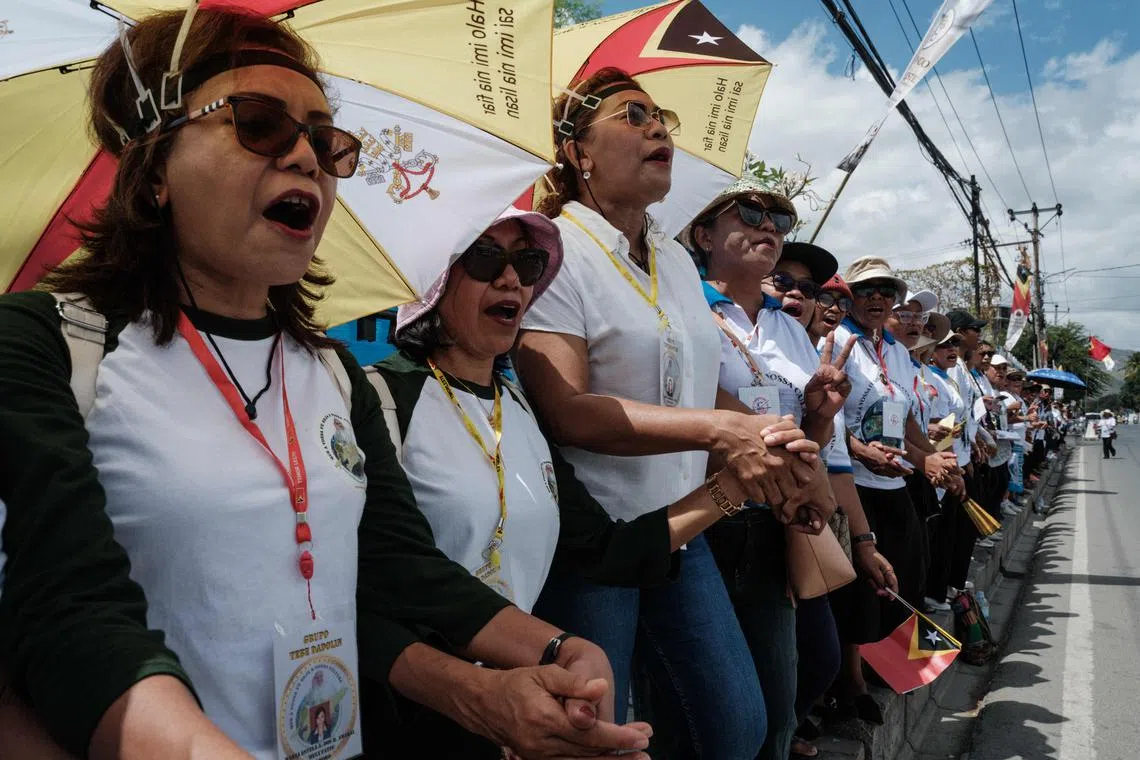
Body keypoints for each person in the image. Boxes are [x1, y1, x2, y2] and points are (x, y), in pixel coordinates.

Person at [0, 11, 653, 760]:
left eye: (324, 139)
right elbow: (66, 609)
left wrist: (555, 650)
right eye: (258, 123)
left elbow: (391, 565)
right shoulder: (45, 343)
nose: (306, 158)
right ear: (152, 174)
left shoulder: (337, 374)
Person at [368, 209, 764, 754]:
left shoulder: (521, 412)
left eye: (527, 263)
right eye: (484, 258)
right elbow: (385, 573)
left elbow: (604, 551)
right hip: (409, 708)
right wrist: (547, 653)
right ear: (434, 277)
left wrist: (735, 488)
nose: (512, 279)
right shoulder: (378, 397)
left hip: (520, 698)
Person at [516, 67, 820, 759]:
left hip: (685, 530)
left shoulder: (676, 262)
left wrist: (777, 446)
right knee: (603, 737)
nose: (658, 128)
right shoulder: (553, 248)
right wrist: (722, 432)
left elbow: (700, 387)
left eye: (662, 120)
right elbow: (568, 410)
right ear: (577, 151)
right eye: (631, 116)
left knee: (734, 726)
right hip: (596, 545)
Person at [686, 187, 844, 760]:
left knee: (779, 700)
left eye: (779, 219)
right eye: (749, 215)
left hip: (777, 522)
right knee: (718, 712)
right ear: (704, 236)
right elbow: (687, 411)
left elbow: (812, 441)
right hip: (706, 521)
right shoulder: (681, 307)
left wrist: (822, 417)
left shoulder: (793, 330)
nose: (768, 227)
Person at [829, 258, 957, 637]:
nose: (877, 298)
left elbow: (905, 418)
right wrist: (858, 450)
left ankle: (891, 665)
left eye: (887, 292)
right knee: (859, 590)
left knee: (907, 576)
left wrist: (926, 457)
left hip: (894, 483)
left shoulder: (897, 352)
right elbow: (824, 419)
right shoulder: (835, 340)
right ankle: (855, 680)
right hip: (851, 485)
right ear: (849, 296)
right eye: (866, 290)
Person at [805, 275, 898, 728]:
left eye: (834, 300)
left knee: (833, 621)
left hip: (827, 508)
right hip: (764, 514)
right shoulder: (820, 351)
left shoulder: (836, 357)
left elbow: (835, 454)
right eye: (791, 288)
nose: (828, 307)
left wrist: (864, 540)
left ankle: (841, 690)